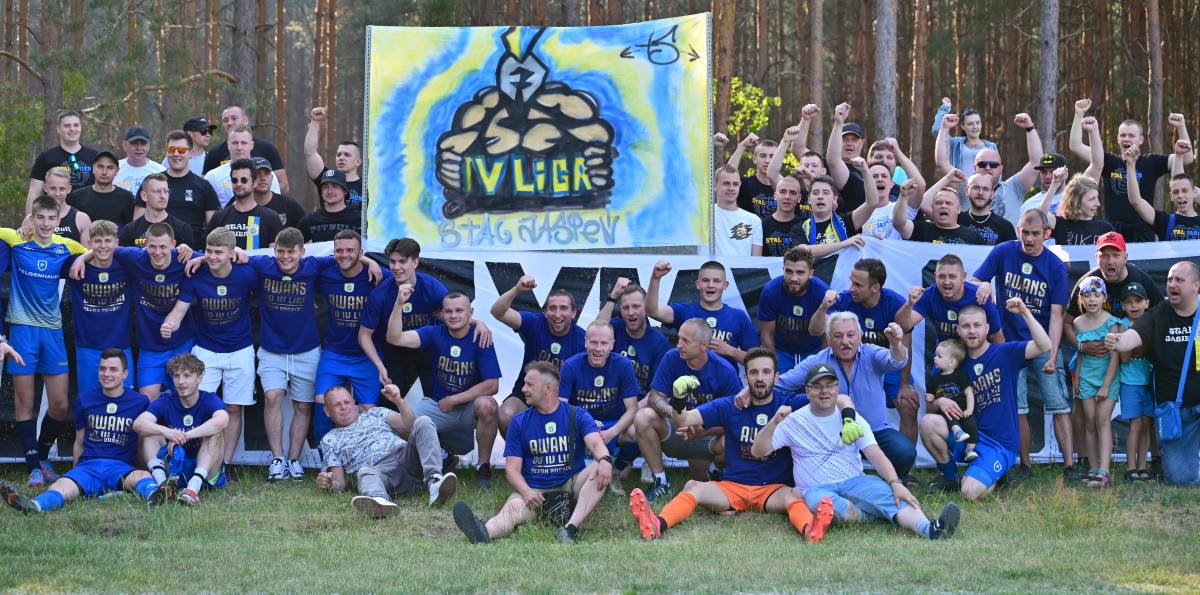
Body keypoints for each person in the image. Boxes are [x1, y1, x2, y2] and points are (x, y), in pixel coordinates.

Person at [627, 348, 835, 543]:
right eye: (753, 372)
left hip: (774, 489)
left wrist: (848, 413)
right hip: (734, 488)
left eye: (766, 372)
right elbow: (683, 420)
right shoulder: (731, 405)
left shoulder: (791, 404)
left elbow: (838, 399)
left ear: (776, 377)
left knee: (794, 495)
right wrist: (679, 399)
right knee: (693, 486)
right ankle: (657, 525)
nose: (760, 378)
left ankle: (810, 530)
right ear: (745, 377)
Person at [752, 363, 961, 540]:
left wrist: (896, 483)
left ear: (837, 388)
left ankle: (931, 529)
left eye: (829, 385)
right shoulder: (793, 421)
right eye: (817, 386)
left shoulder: (851, 418)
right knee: (828, 507)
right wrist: (774, 422)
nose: (824, 391)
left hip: (855, 480)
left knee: (894, 496)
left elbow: (875, 454)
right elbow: (758, 452)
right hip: (816, 488)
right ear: (807, 391)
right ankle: (869, 515)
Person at [248, 228, 379, 482]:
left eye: (291, 252)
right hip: (272, 349)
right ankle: (277, 459)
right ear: (274, 250)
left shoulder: (313, 265)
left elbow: (345, 257)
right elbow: (233, 254)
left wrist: (370, 261)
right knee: (273, 398)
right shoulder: (264, 264)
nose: (285, 257)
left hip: (306, 350)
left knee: (303, 405)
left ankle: (294, 460)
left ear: (302, 252)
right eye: (280, 252)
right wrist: (196, 255)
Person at [452, 361, 613, 545]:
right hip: (535, 493)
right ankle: (483, 532)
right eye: (524, 384)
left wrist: (605, 460)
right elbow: (512, 470)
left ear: (547, 388)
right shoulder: (519, 422)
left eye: (529, 385)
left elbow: (596, 443)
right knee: (512, 509)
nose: (523, 389)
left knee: (598, 467)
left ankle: (570, 529)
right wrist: (526, 492)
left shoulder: (577, 415)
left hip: (570, 488)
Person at [971, 209, 1077, 480]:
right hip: (1008, 342)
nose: (1028, 239)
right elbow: (975, 281)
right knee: (1017, 407)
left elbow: (1057, 315)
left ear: (1046, 234)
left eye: (1035, 234)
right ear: (1018, 230)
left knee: (1058, 404)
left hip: (1042, 341)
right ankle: (1025, 466)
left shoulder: (1055, 266)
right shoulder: (1003, 251)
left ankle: (1070, 466)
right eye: (1024, 232)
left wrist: (1052, 354)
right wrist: (984, 286)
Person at [0, 350, 162, 514]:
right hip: (89, 466)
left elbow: (142, 441)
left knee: (142, 477)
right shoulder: (85, 400)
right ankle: (34, 505)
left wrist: (143, 467)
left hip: (120, 467)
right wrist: (74, 472)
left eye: (113, 369)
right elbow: (79, 442)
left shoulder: (139, 402)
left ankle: (155, 496)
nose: (106, 374)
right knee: (62, 485)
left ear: (125, 373)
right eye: (102, 369)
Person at [920, 300, 1052, 500]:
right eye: (966, 326)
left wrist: (1024, 312)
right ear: (958, 330)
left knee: (969, 492)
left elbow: (1045, 345)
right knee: (928, 423)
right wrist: (939, 402)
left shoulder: (1005, 352)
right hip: (967, 435)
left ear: (987, 328)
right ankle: (951, 477)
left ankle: (992, 474)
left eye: (977, 325)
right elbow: (929, 408)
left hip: (999, 444)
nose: (972, 331)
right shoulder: (953, 362)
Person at [1, 196, 88, 486]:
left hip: (52, 331)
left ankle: (40, 454)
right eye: (40, 218)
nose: (46, 224)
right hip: (22, 330)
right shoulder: (16, 240)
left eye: (51, 219)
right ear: (32, 218)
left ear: (58, 221)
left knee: (60, 404)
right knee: (24, 402)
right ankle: (33, 467)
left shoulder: (65, 246)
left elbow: (94, 251)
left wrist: (83, 259)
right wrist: (19, 228)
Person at [161, 227, 259, 468]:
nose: (213, 257)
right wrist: (169, 323)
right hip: (206, 349)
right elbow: (180, 309)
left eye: (218, 252)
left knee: (234, 408)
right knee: (197, 405)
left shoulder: (247, 273)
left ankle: (224, 464)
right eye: (209, 251)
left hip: (240, 348)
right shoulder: (195, 274)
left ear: (231, 253)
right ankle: (194, 461)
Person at [778, 312, 916, 482]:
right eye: (838, 336)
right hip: (833, 435)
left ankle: (895, 480)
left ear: (860, 336)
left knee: (905, 452)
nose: (845, 341)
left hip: (875, 430)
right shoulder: (817, 361)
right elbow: (782, 384)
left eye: (850, 335)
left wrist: (895, 344)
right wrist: (752, 390)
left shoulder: (871, 353)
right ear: (829, 339)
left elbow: (898, 361)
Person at [385, 290, 501, 487]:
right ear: (442, 313)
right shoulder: (434, 333)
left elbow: (492, 384)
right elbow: (395, 338)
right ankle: (443, 455)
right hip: (437, 405)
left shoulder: (480, 336)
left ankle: (483, 467)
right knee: (400, 424)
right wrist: (398, 304)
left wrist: (455, 399)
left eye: (459, 311)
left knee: (488, 405)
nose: (453, 315)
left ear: (471, 312)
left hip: (468, 406)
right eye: (448, 311)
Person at [1104, 261, 1200, 485]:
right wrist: (1119, 341)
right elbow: (1134, 336)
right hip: (1177, 411)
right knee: (1179, 479)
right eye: (1169, 280)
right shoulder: (1158, 314)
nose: (1172, 284)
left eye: (1179, 280)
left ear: (1196, 285)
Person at [808, 258, 919, 444]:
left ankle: (905, 458)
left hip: (884, 363)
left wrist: (905, 384)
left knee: (909, 405)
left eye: (857, 284)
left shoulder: (895, 303)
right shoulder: (844, 300)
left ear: (875, 288)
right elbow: (815, 331)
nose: (851, 288)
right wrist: (823, 307)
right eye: (851, 281)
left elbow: (905, 345)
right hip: (848, 364)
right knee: (828, 402)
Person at [633, 318, 743, 501]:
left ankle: (715, 471)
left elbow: (736, 418)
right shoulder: (672, 358)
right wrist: (675, 414)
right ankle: (660, 481)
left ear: (704, 345)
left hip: (707, 436)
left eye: (686, 341)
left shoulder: (724, 371)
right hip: (675, 430)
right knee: (643, 416)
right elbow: (654, 397)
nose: (679, 345)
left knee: (734, 438)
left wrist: (702, 430)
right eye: (679, 338)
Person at [316, 385, 458, 516]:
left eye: (346, 402)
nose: (343, 407)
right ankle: (379, 501)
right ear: (327, 411)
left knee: (423, 421)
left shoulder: (375, 413)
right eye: (337, 405)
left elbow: (410, 426)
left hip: (406, 456)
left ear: (354, 403)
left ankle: (434, 483)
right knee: (364, 472)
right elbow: (340, 483)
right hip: (381, 473)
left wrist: (399, 401)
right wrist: (329, 483)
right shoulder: (329, 439)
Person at [1069, 97, 1193, 242]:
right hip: (1112, 230)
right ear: (1117, 139)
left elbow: (1186, 158)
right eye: (1123, 135)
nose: (1126, 139)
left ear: (1141, 140)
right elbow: (1075, 146)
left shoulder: (1151, 162)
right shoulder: (1108, 160)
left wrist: (1181, 127)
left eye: (1131, 135)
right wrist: (1078, 114)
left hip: (1142, 231)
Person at [594, 278, 670, 491]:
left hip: (639, 406)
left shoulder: (658, 341)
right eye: (625, 307)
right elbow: (597, 330)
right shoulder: (615, 328)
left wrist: (632, 413)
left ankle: (623, 465)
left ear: (646, 308)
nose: (630, 312)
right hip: (608, 402)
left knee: (638, 426)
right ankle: (619, 462)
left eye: (636, 306)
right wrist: (612, 297)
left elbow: (658, 391)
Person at [107, 223, 197, 401]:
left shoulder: (184, 257)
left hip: (182, 344)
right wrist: (81, 259)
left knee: (185, 399)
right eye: (152, 246)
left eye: (163, 247)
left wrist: (200, 258)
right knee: (147, 400)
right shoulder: (136, 257)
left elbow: (219, 255)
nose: (157, 252)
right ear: (145, 245)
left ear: (173, 245)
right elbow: (106, 248)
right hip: (150, 346)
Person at [313, 230, 385, 443]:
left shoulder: (378, 276)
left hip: (367, 356)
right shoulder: (326, 274)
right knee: (322, 402)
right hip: (334, 353)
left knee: (370, 411)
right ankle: (327, 458)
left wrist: (371, 263)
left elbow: (406, 278)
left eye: (350, 250)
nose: (344, 255)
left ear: (361, 252)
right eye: (339, 250)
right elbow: (300, 265)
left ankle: (366, 455)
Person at [359, 238, 449, 407]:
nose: (396, 267)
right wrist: (380, 366)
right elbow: (364, 334)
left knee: (440, 402)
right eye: (392, 261)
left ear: (415, 262)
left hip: (428, 351)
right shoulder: (380, 294)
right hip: (395, 353)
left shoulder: (432, 288)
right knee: (389, 402)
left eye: (402, 261)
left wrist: (476, 323)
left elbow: (454, 317)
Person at [132, 353, 229, 506]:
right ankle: (164, 487)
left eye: (187, 376)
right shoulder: (166, 401)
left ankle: (193, 489)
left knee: (215, 433)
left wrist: (185, 435)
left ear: (199, 378)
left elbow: (223, 420)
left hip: (205, 470)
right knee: (150, 432)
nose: (181, 382)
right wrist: (168, 432)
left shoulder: (209, 399)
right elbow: (138, 424)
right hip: (174, 470)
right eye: (176, 376)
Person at [558, 321, 639, 481]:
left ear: (612, 345)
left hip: (613, 424)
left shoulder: (623, 365)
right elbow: (561, 406)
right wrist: (585, 422)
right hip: (580, 424)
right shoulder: (571, 365)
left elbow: (632, 409)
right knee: (558, 424)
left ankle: (617, 468)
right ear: (585, 342)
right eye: (593, 342)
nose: (598, 348)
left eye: (604, 343)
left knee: (637, 431)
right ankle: (575, 469)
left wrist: (612, 432)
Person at [65, 220, 134, 398]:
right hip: (87, 347)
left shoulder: (128, 265)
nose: (103, 246)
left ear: (116, 242)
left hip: (121, 346)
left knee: (126, 403)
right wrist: (81, 258)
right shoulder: (74, 266)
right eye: (98, 241)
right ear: (89, 243)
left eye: (108, 241)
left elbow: (158, 254)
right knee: (89, 402)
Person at [646, 259, 759, 367]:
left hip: (725, 380)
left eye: (716, 281)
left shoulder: (738, 317)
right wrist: (655, 278)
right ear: (697, 284)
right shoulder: (685, 311)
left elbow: (757, 360)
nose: (710, 285)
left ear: (725, 285)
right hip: (689, 378)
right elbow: (652, 311)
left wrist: (730, 351)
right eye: (705, 280)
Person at [941, 113, 1042, 225]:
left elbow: (1036, 163)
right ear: (975, 168)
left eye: (993, 165)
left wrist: (1029, 127)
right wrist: (944, 127)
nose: (988, 167)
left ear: (1001, 168)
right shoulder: (966, 187)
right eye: (982, 164)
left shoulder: (1014, 187)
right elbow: (942, 162)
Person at [1071, 276, 1122, 488]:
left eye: (1096, 295)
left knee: (1102, 420)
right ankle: (1093, 467)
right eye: (1087, 295)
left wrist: (1106, 385)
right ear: (1081, 299)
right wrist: (1076, 377)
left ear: (1104, 298)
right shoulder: (1077, 323)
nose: (1092, 299)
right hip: (1085, 377)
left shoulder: (1112, 322)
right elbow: (1080, 352)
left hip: (1108, 376)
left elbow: (1115, 357)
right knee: (1089, 422)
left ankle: (1104, 470)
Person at [896, 253, 1005, 344]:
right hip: (947, 355)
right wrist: (909, 304)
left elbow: (997, 338)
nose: (947, 281)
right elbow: (903, 326)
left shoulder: (979, 295)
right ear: (935, 276)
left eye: (952, 276)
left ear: (963, 277)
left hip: (977, 354)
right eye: (941, 276)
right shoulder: (929, 295)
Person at [140, 130, 220, 247]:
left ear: (191, 153)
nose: (176, 154)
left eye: (181, 150)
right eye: (171, 150)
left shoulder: (203, 186)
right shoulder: (152, 183)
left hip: (193, 251)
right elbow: (137, 224)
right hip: (157, 250)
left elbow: (213, 230)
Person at [758, 247, 829, 373]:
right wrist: (772, 365)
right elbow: (767, 333)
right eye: (789, 271)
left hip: (814, 351)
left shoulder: (822, 292)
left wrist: (823, 364)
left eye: (800, 272)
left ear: (811, 273)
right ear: (783, 270)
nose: (794, 278)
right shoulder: (771, 291)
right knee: (777, 383)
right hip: (781, 351)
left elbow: (826, 335)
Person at [1115, 282, 1154, 482]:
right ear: (1123, 306)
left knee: (1146, 425)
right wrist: (1133, 343)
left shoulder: (1152, 323)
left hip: (1149, 382)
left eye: (1138, 301)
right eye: (1128, 302)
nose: (1133, 305)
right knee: (1135, 425)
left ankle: (1142, 466)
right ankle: (1131, 467)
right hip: (1130, 382)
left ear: (1147, 303)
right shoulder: (1123, 325)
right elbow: (1124, 358)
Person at [203, 105, 289, 193]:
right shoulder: (214, 156)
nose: (229, 123)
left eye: (234, 118)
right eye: (225, 120)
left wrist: (262, 194)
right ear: (229, 145)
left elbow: (283, 185)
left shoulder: (267, 149)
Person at [1125, 142, 1200, 241]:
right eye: (1175, 192)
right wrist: (1130, 165)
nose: (1180, 195)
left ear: (1194, 192)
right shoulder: (1165, 222)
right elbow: (1136, 201)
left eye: (1185, 191)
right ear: (1171, 196)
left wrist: (1179, 156)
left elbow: (1178, 181)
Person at [793, 169, 877, 258]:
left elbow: (872, 203)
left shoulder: (846, 221)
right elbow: (803, 251)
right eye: (816, 193)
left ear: (834, 198)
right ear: (809, 199)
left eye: (825, 193)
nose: (820, 197)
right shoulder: (800, 227)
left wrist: (864, 170)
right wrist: (843, 244)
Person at [26, 110, 99, 210]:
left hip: (90, 214)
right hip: (54, 215)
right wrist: (30, 217)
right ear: (58, 129)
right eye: (67, 126)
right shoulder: (46, 157)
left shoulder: (95, 157)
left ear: (81, 127)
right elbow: (34, 192)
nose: (72, 129)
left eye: (76, 125)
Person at [205, 157, 284, 249]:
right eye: (235, 180)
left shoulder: (271, 218)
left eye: (244, 180)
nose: (239, 184)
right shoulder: (219, 217)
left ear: (254, 182)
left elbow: (274, 255)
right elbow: (209, 251)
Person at [894, 173, 984, 244]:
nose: (943, 206)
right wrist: (903, 196)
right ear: (932, 208)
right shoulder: (921, 229)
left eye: (948, 203)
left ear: (958, 209)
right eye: (939, 203)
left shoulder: (973, 237)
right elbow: (899, 224)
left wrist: (949, 178)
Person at [204, 126, 281, 208]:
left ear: (252, 145)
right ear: (228, 145)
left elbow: (275, 204)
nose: (239, 148)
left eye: (244, 143)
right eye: (235, 143)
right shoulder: (213, 176)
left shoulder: (267, 175)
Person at [927, 339, 978, 461]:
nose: (935, 358)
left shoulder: (960, 375)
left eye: (939, 356)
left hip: (963, 410)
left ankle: (970, 450)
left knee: (972, 425)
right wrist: (931, 397)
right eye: (935, 355)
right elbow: (931, 398)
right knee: (949, 416)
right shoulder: (934, 379)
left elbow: (969, 393)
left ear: (951, 362)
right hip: (946, 412)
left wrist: (969, 409)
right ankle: (957, 432)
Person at [304, 107, 364, 205]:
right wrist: (315, 121)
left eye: (347, 155)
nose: (341, 157)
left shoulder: (366, 186)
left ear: (358, 162)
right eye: (339, 154)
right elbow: (310, 152)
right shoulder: (326, 178)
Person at [120, 173, 196, 248]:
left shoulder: (182, 229)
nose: (163, 196)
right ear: (144, 196)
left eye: (166, 191)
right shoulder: (130, 231)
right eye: (157, 191)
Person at [931, 98, 998, 181]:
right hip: (961, 186)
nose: (975, 126)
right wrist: (945, 108)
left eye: (977, 123)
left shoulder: (991, 147)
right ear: (963, 126)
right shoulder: (955, 144)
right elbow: (937, 130)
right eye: (970, 124)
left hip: (984, 188)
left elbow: (997, 173)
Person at [67, 149, 135, 228]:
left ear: (117, 171)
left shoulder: (126, 198)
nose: (104, 172)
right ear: (93, 168)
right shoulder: (77, 197)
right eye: (100, 166)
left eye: (110, 168)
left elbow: (131, 229)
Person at [824, 103, 869, 213]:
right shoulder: (824, 164)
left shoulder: (869, 171)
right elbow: (798, 149)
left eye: (854, 139)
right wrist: (838, 123)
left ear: (862, 143)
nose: (849, 143)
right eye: (845, 139)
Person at [1048, 174, 1114, 246]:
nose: (1098, 204)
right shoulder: (1061, 224)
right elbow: (1041, 216)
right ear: (1076, 202)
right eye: (1092, 199)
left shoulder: (1105, 228)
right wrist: (1054, 185)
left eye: (1097, 197)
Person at [297, 169, 362, 242]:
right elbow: (296, 246)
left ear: (345, 191)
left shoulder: (358, 220)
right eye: (325, 187)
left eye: (335, 186)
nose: (330, 191)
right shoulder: (309, 221)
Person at [711, 165, 763, 256]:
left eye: (735, 184)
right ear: (715, 186)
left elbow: (757, 261)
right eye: (726, 183)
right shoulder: (704, 216)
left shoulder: (753, 220)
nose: (731, 188)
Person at [36, 167, 91, 244]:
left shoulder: (82, 219)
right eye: (53, 188)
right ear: (45, 188)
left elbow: (88, 251)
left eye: (62, 189)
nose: (57, 193)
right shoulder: (31, 219)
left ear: (69, 189)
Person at [959, 172, 1016, 245]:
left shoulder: (1005, 227)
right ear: (967, 191)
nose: (980, 193)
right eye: (975, 188)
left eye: (986, 189)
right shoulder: (956, 221)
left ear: (992, 194)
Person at [250, 157, 306, 228]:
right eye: (257, 173)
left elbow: (307, 230)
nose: (263, 178)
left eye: (267, 173)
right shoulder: (242, 207)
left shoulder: (289, 205)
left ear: (272, 178)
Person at [760, 175, 804, 256]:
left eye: (793, 193)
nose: (787, 197)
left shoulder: (805, 226)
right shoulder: (762, 226)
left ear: (799, 198)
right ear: (775, 196)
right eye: (782, 192)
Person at [114, 125, 166, 193]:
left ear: (149, 145)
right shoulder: (113, 169)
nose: (139, 148)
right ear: (124, 145)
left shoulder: (160, 171)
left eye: (143, 143)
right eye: (134, 143)